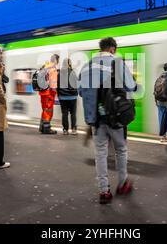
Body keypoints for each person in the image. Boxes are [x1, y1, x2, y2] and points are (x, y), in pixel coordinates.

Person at [79, 37, 138, 204]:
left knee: (100, 153)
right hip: (115, 116)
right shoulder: (117, 63)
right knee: (121, 150)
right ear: (112, 49)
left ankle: (104, 191)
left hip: (96, 119)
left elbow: (81, 92)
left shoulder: (86, 66)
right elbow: (131, 86)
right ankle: (122, 183)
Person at [38, 54, 59, 135]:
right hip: (49, 93)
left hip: (43, 92)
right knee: (48, 110)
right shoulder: (53, 68)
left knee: (44, 109)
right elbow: (53, 83)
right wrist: (55, 93)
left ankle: (42, 127)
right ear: (56, 60)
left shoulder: (45, 66)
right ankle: (46, 128)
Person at [57, 58, 78, 135]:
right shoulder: (72, 72)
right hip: (72, 97)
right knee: (73, 114)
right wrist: (75, 93)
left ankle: (65, 130)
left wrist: (59, 95)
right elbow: (76, 85)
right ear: (69, 64)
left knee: (64, 114)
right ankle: (73, 129)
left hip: (62, 97)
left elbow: (57, 86)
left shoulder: (59, 73)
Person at [155, 63, 167, 143]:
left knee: (161, 119)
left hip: (160, 102)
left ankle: (162, 136)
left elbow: (155, 91)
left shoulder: (159, 77)